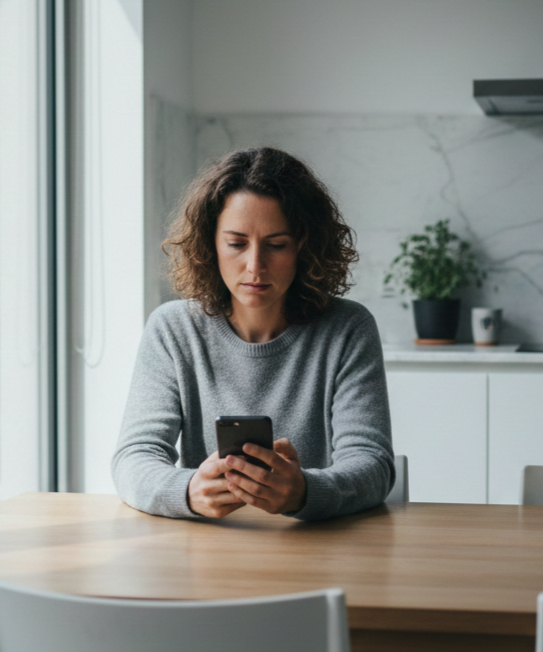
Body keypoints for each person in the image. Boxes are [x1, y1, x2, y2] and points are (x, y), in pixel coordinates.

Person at [112, 147, 394, 521]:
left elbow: (373, 464)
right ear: (209, 245)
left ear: (304, 247)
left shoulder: (348, 328)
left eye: (277, 245)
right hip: (210, 548)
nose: (255, 266)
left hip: (319, 548)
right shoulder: (173, 329)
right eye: (236, 243)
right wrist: (188, 491)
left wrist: (305, 491)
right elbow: (134, 458)